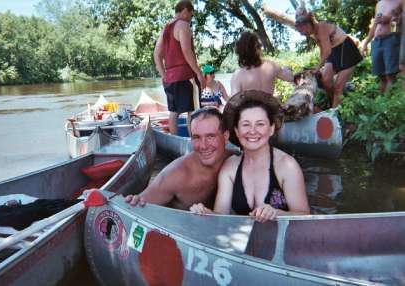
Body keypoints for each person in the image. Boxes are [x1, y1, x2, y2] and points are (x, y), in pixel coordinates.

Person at [190, 90, 310, 222]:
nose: (252, 131)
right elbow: (221, 217)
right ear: (236, 130)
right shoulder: (230, 167)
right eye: (246, 124)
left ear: (271, 129)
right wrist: (205, 213)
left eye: (260, 124)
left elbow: (304, 216)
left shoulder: (287, 166)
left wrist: (276, 213)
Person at [125, 107, 232, 210]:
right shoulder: (177, 174)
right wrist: (132, 202)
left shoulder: (236, 162)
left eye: (210, 136)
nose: (203, 145)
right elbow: (137, 205)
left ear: (226, 136)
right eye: (196, 137)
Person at [153, 0, 206, 135]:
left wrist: (164, 75)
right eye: (191, 15)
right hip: (186, 76)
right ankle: (193, 141)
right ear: (185, 11)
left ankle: (175, 140)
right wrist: (199, 73)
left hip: (170, 78)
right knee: (192, 111)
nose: (190, 19)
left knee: (173, 112)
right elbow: (186, 51)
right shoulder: (183, 25)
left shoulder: (165, 29)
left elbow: (156, 55)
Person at [294, 8, 363, 107]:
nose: (302, 34)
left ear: (307, 25)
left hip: (346, 49)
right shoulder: (314, 34)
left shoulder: (321, 26)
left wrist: (318, 67)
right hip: (333, 53)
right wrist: (318, 66)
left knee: (338, 86)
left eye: (301, 31)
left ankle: (335, 113)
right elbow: (323, 51)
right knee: (326, 81)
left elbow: (327, 51)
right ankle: (336, 103)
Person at [230, 31, 294, 96]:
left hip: (251, 106)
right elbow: (290, 78)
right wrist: (287, 69)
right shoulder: (271, 66)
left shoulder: (237, 76)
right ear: (259, 48)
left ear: (240, 52)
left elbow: (234, 102)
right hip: (269, 106)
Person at [362, 0, 403, 92]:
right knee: (380, 75)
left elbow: (396, 27)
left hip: (391, 39)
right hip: (377, 41)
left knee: (390, 75)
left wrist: (391, 20)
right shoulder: (379, 4)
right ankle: (382, 102)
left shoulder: (400, 2)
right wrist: (366, 42)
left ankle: (389, 103)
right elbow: (374, 25)